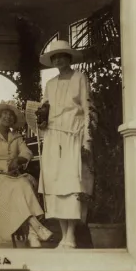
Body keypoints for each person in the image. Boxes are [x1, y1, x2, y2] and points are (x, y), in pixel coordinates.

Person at [38, 40, 93, 249]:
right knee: (54, 185)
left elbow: (87, 109)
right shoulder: (50, 84)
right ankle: (63, 235)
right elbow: (45, 109)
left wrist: (87, 138)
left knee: (72, 185)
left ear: (69, 57)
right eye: (55, 57)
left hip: (73, 136)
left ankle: (72, 235)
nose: (59, 60)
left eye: (62, 56)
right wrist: (40, 120)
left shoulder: (80, 78)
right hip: (53, 137)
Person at [0, 100, 53, 248]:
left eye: (11, 115)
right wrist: (4, 171)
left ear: (13, 120)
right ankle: (34, 225)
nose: (7, 117)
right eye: (4, 114)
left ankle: (32, 234)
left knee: (23, 183)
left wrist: (18, 159)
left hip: (13, 178)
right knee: (20, 185)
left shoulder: (16, 137)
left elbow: (27, 152)